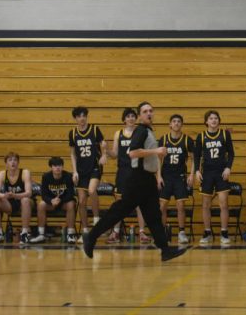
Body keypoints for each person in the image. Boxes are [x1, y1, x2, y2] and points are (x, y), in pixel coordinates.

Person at [82, 101, 188, 263]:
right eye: (145, 111)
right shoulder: (141, 131)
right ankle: (91, 236)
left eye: (151, 110)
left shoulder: (148, 131)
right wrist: (156, 150)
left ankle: (165, 250)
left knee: (153, 216)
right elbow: (132, 153)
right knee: (119, 211)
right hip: (138, 179)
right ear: (140, 116)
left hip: (147, 180)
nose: (149, 113)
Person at [108, 107, 149, 244]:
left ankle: (142, 232)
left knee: (140, 203)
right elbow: (114, 154)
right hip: (123, 171)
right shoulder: (118, 133)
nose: (131, 118)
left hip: (137, 171)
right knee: (120, 202)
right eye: (128, 116)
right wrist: (106, 150)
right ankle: (116, 231)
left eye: (133, 116)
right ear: (124, 119)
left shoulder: (141, 132)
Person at [194, 110, 234, 245]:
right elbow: (196, 156)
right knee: (205, 205)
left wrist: (228, 167)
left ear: (219, 120)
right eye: (211, 118)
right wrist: (196, 171)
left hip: (221, 172)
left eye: (216, 118)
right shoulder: (201, 136)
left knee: (223, 204)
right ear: (206, 122)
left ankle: (224, 232)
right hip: (207, 173)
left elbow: (232, 153)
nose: (213, 120)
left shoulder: (224, 134)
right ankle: (207, 232)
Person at [69, 106, 107, 236]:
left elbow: (103, 144)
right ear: (75, 119)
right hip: (81, 170)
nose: (82, 118)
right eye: (79, 116)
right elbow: (73, 154)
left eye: (84, 115)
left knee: (91, 190)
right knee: (82, 201)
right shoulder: (73, 133)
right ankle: (85, 231)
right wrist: (74, 171)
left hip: (95, 167)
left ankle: (97, 220)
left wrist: (104, 155)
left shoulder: (94, 129)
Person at [158, 113, 195, 245]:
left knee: (181, 205)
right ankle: (161, 233)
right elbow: (158, 160)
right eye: (174, 121)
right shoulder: (163, 139)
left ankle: (181, 232)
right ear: (170, 124)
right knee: (162, 206)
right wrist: (158, 176)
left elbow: (193, 158)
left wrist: (191, 175)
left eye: (179, 121)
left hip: (180, 177)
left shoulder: (187, 140)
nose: (176, 123)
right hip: (166, 177)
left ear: (182, 124)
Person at [0, 152, 34, 245]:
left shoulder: (25, 173)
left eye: (15, 160)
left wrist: (16, 195)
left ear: (18, 162)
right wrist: (3, 196)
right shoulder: (2, 174)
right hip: (9, 204)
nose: (13, 162)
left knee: (25, 200)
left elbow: (29, 193)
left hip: (25, 202)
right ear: (6, 163)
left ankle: (25, 233)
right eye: (10, 160)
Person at [33, 156, 78, 244]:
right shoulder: (46, 177)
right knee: (41, 205)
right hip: (51, 203)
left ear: (62, 166)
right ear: (51, 167)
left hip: (64, 202)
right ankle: (41, 234)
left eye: (60, 165)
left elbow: (70, 194)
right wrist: (51, 201)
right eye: (55, 166)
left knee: (71, 204)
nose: (57, 168)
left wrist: (60, 200)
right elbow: (44, 194)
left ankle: (70, 234)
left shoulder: (68, 176)